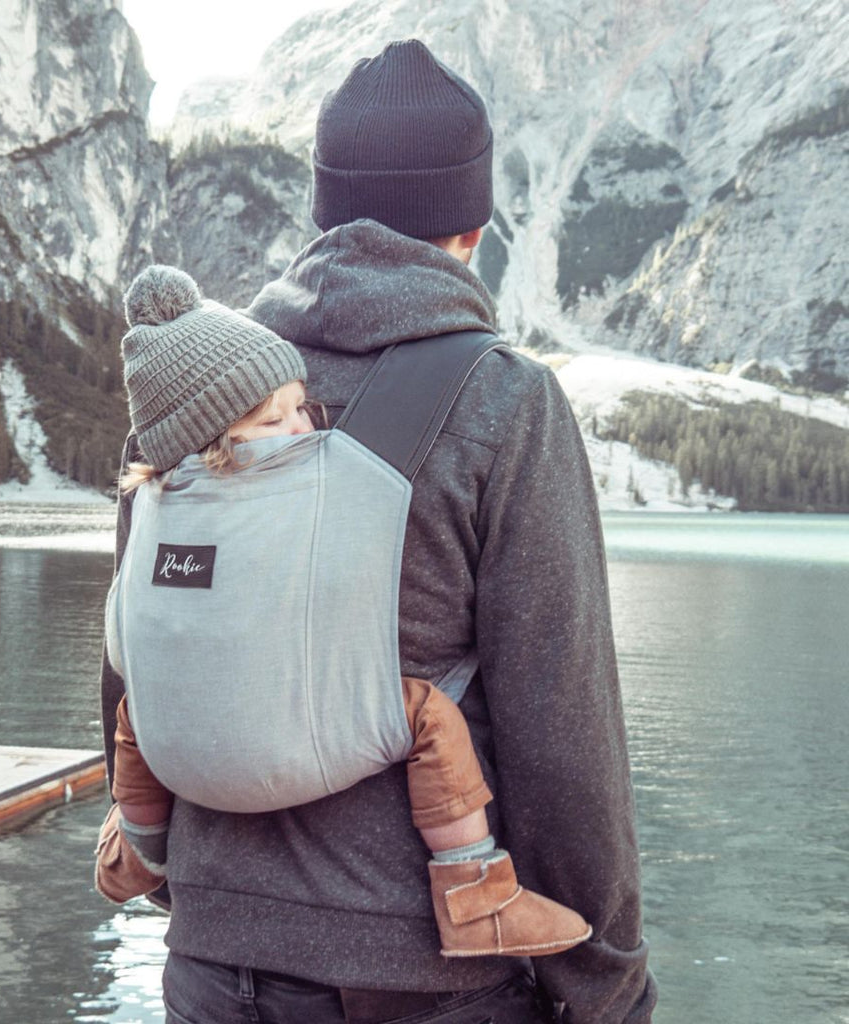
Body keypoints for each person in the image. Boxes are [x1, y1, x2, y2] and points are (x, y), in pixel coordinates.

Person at [100, 37, 656, 1024]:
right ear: (472, 229)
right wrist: (605, 989)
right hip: (427, 981)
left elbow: (139, 661)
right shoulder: (502, 400)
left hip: (209, 970)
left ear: (324, 211)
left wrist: (197, 891)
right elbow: (562, 734)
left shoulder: (196, 390)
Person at [96, 264, 592, 964]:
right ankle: (473, 891)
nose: (302, 427)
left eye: (301, 407)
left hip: (180, 768)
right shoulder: (316, 491)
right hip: (299, 747)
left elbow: (122, 656)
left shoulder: (155, 506)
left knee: (132, 714)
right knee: (428, 718)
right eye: (273, 420)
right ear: (212, 445)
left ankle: (139, 850)